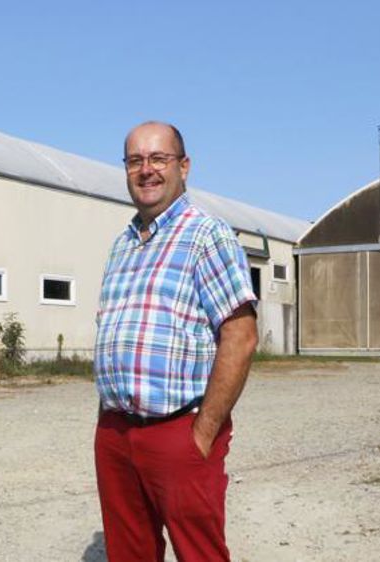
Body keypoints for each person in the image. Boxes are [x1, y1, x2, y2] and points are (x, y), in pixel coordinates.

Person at [93, 121, 259, 561]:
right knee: (129, 553)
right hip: (116, 432)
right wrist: (105, 421)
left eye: (158, 159)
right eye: (135, 160)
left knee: (199, 553)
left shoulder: (207, 234)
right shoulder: (122, 245)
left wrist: (202, 433)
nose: (146, 170)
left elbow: (240, 336)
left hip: (178, 431)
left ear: (183, 167)